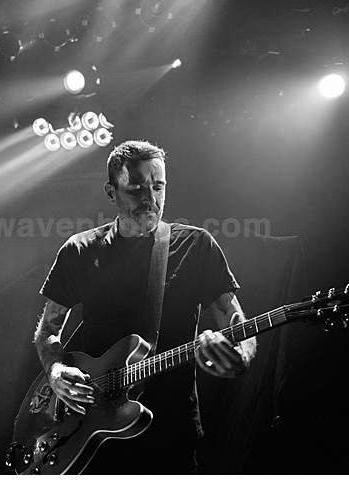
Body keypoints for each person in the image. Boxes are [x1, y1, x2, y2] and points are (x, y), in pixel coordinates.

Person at [34, 140, 257, 474]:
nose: (150, 200)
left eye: (158, 187)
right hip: (89, 428)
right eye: (136, 188)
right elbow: (48, 330)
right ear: (111, 193)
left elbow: (234, 317)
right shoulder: (79, 250)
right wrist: (54, 371)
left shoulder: (195, 246)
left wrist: (242, 353)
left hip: (169, 431)